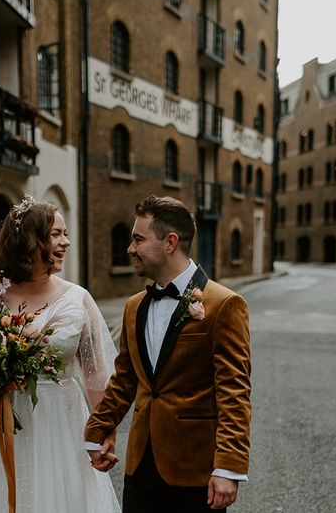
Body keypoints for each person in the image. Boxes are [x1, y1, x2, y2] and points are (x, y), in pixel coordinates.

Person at [0, 195, 121, 513]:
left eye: (66, 233)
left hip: (59, 421)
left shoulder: (77, 298)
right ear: (28, 240)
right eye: (56, 234)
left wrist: (103, 429)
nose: (66, 242)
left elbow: (96, 371)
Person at [84, 195, 251, 512]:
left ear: (170, 242)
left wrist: (228, 467)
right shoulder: (134, 306)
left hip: (195, 470)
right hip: (140, 468)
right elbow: (125, 379)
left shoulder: (225, 304)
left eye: (138, 239)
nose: (130, 249)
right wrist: (96, 432)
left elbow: (234, 391)